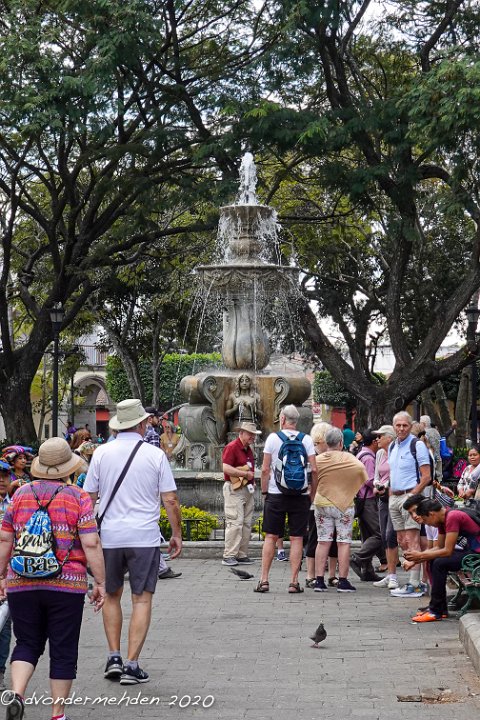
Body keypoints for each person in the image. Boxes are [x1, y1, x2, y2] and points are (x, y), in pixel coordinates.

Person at [0, 438, 105, 720]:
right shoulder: (78, 497)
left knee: (26, 642)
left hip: (22, 581)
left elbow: (5, 538)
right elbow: (91, 542)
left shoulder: (20, 494)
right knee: (63, 648)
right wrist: (101, 582)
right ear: (68, 466)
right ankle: (57, 714)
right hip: (66, 585)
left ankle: (17, 694)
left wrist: (1, 575)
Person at [84, 398, 182, 685]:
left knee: (111, 594)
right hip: (143, 537)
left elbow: (88, 498)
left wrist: (87, 537)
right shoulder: (155, 455)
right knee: (141, 599)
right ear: (141, 424)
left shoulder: (101, 453)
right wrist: (176, 534)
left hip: (110, 537)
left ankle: (113, 657)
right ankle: (131, 665)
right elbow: (170, 499)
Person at [255, 405, 317, 594]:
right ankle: (294, 582)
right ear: (296, 421)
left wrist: (264, 492)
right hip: (300, 495)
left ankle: (264, 580)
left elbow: (265, 469)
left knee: (271, 537)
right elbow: (314, 470)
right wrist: (311, 494)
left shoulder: (273, 439)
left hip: (276, 494)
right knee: (297, 538)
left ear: (282, 419)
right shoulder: (307, 439)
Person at [402, 496, 480, 622]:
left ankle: (435, 611)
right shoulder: (442, 519)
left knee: (440, 563)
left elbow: (447, 551)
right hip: (471, 552)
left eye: (426, 520)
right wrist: (415, 560)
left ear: (431, 514)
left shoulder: (452, 517)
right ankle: (440, 609)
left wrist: (420, 556)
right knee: (434, 560)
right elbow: (439, 547)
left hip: (476, 555)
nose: (427, 524)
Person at [313, 427, 368, 593]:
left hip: (322, 502)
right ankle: (343, 581)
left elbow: (311, 474)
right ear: (341, 442)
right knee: (343, 542)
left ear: (326, 442)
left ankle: (319, 581)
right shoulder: (348, 458)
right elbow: (361, 470)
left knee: (323, 541)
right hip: (344, 505)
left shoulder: (318, 459)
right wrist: (348, 485)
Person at [388, 411, 432, 598]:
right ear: (393, 427)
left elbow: (426, 476)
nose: (401, 429)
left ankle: (415, 583)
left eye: (405, 425)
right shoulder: (392, 445)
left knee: (413, 539)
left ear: (410, 426)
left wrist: (412, 496)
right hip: (394, 497)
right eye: (398, 425)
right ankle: (414, 581)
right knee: (402, 540)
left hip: (410, 496)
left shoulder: (417, 445)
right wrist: (390, 494)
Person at [143, 409, 181, 580]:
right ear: (150, 418)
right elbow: (170, 499)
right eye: (158, 418)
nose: (161, 422)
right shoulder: (152, 435)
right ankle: (160, 568)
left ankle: (161, 568)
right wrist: (177, 533)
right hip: (149, 489)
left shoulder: (105, 452)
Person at [221, 421, 261, 566]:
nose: (253, 437)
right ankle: (229, 555)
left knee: (246, 524)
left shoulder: (248, 449)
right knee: (235, 523)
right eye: (250, 434)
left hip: (246, 489)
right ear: (241, 433)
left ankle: (241, 554)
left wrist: (251, 481)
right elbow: (225, 468)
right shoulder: (232, 447)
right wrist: (245, 474)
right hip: (234, 489)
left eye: (254, 435)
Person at [349, 430, 385, 582]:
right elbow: (369, 480)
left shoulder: (360, 454)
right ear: (374, 442)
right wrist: (382, 484)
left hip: (360, 498)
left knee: (367, 535)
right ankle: (357, 558)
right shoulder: (369, 458)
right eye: (378, 439)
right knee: (380, 534)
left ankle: (367, 570)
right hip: (368, 499)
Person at [370, 425, 400, 590]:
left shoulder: (397, 452)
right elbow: (376, 475)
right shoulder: (380, 453)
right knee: (384, 535)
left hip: (395, 496)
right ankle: (390, 573)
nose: (377, 439)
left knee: (391, 535)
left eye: (380, 436)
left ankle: (394, 575)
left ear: (389, 438)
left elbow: (397, 474)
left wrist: (386, 485)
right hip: (382, 498)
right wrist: (377, 485)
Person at [0, 462, 12, 691]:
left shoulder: (15, 503)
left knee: (4, 627)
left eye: (4, 476)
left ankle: (0, 672)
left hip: (8, 572)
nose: (1, 480)